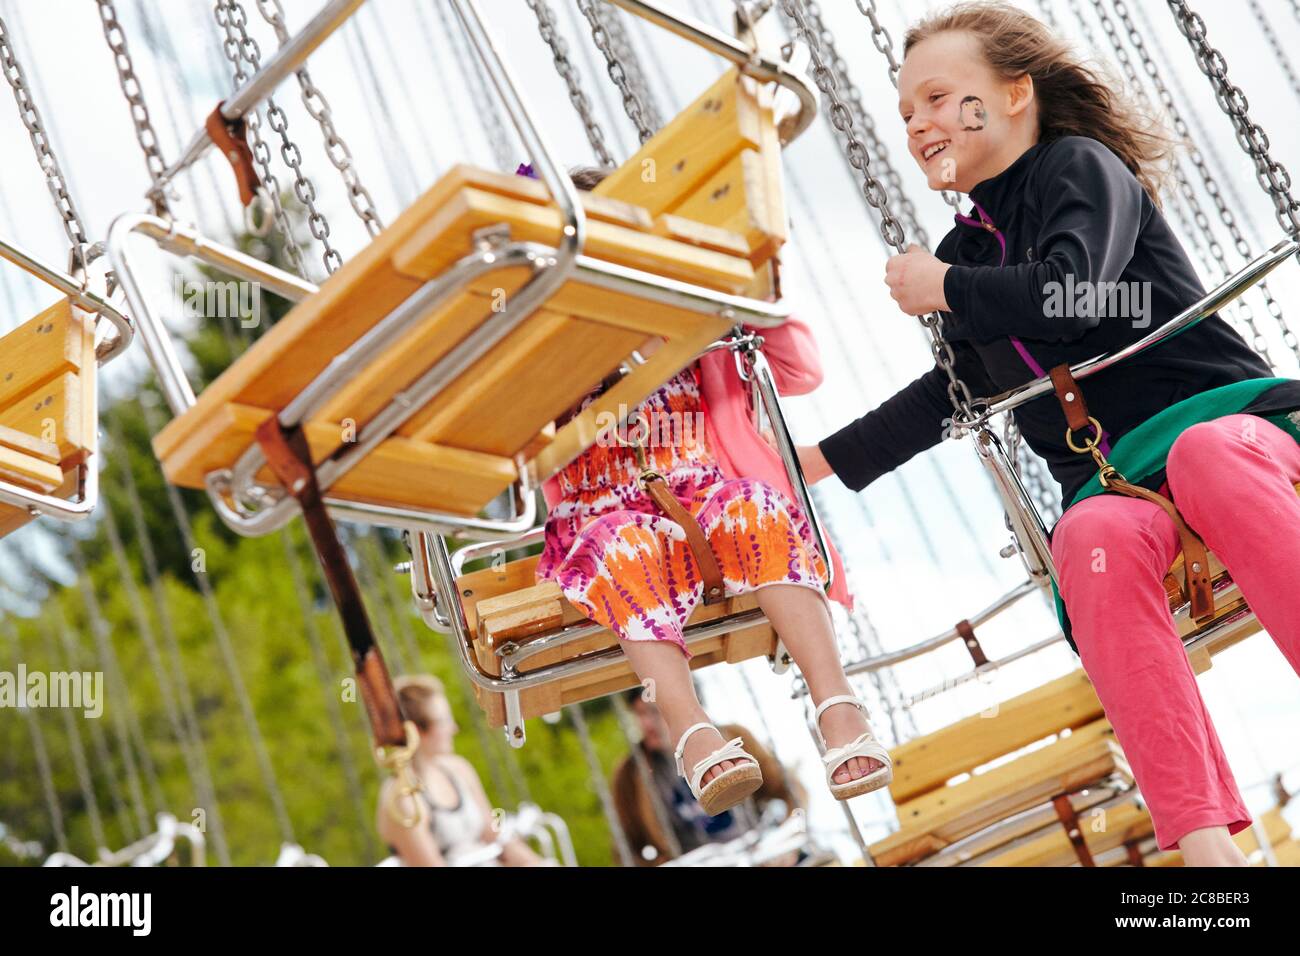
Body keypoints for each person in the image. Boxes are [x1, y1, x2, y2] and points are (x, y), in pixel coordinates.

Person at [795, 1, 1300, 867]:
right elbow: (947, 394)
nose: (917, 122)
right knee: (1089, 537)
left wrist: (946, 285)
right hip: (1115, 483)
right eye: (906, 109)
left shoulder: (1080, 167)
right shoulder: (970, 250)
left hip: (1233, 430)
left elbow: (1076, 291)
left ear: (1015, 94)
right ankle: (1209, 856)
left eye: (940, 97)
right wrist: (811, 464)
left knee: (1202, 453)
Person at [533, 164, 893, 817]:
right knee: (623, 550)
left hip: (695, 483)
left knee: (757, 509)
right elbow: (508, 430)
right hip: (599, 503)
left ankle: (836, 703)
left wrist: (749, 292)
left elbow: (800, 370)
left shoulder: (682, 306)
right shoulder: (545, 334)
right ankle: (691, 729)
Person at [610, 685, 807, 866]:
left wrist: (788, 839)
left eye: (653, 712)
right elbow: (626, 847)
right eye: (639, 713)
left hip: (763, 854)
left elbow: (790, 789)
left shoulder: (734, 737)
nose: (645, 723)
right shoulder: (630, 775)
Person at [377, 675, 552, 866]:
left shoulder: (458, 770)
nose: (454, 728)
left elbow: (494, 835)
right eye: (443, 721)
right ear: (416, 731)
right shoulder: (402, 799)